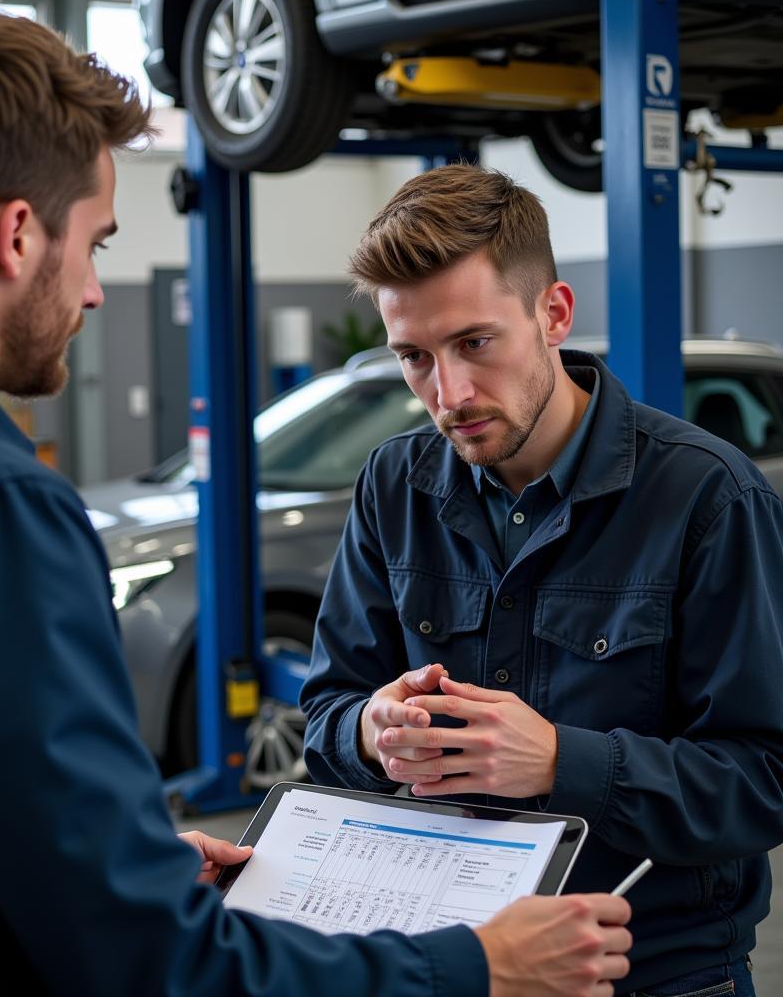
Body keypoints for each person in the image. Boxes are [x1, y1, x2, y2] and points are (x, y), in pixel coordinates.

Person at [0, 10, 633, 997]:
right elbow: (154, 966)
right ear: (14, 235)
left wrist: (110, 864)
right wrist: (469, 966)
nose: (93, 293)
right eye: (94, 244)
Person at [300, 163, 783, 996]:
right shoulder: (393, 487)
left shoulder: (707, 497)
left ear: (553, 313)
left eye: (475, 344)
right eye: (414, 358)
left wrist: (563, 760)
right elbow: (327, 712)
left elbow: (766, 778)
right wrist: (371, 729)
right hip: (458, 963)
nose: (447, 394)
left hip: (655, 976)